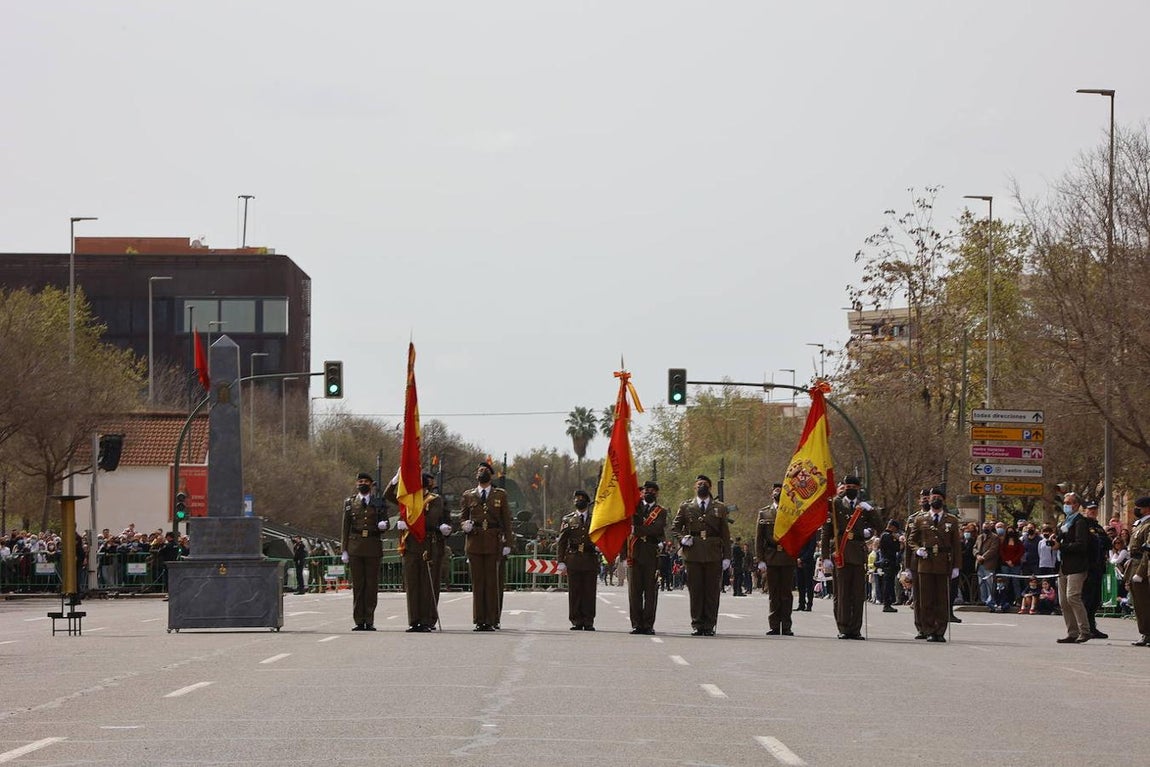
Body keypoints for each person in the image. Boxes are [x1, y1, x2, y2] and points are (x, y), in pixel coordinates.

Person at [386, 472, 453, 632]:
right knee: (413, 584)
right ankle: (414, 620)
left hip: (428, 545)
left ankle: (427, 620)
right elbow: (388, 495)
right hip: (410, 546)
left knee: (427, 584)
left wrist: (407, 524)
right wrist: (396, 479)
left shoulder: (435, 500)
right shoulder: (408, 499)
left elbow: (430, 521)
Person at [821, 476, 881, 640]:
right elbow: (826, 531)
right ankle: (843, 627)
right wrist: (825, 556)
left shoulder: (863, 507)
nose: (850, 489)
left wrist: (870, 510)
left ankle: (855, 629)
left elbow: (879, 526)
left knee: (857, 593)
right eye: (848, 486)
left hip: (858, 553)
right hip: (840, 552)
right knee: (842, 593)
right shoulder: (835, 504)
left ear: (859, 488)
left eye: (854, 486)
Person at [671, 474, 732, 636]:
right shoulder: (686, 507)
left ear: (710, 487)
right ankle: (697, 624)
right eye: (699, 484)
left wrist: (727, 556)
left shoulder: (719, 507)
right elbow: (675, 528)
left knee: (712, 591)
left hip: (713, 553)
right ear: (694, 487)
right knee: (696, 590)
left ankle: (709, 624)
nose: (701, 486)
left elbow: (725, 534)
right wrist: (682, 538)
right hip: (693, 553)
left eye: (704, 484)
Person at [459, 462, 512, 631]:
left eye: (485, 470)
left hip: (493, 543)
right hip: (474, 543)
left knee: (491, 583)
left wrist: (508, 543)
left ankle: (491, 619)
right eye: (479, 470)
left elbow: (506, 521)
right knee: (478, 583)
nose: (481, 472)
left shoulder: (500, 495)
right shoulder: (468, 495)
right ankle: (479, 619)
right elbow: (462, 517)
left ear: (491, 475)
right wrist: (464, 525)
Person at [905, 489, 961, 641]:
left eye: (938, 498)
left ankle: (940, 631)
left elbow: (956, 544)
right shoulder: (920, 519)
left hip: (943, 562)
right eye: (933, 497)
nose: (935, 500)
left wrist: (956, 566)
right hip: (925, 562)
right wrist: (917, 550)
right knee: (926, 599)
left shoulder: (952, 520)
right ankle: (929, 629)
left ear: (943, 501)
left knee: (942, 599)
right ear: (928, 500)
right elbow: (911, 540)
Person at [340, 472, 390, 631]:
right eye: (360, 481)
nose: (363, 484)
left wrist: (384, 525)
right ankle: (358, 620)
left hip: (373, 547)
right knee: (358, 585)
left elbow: (386, 523)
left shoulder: (378, 502)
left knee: (371, 586)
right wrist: (344, 550)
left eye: (366, 482)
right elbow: (345, 527)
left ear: (371, 484)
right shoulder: (350, 503)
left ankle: (369, 619)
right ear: (356, 484)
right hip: (355, 547)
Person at [755, 483, 798, 636]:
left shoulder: (792, 511)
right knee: (773, 593)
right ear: (771, 493)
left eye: (781, 491)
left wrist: (796, 555)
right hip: (771, 557)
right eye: (776, 490)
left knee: (786, 593)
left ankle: (786, 625)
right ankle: (774, 625)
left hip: (787, 556)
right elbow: (759, 539)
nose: (778, 493)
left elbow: (797, 537)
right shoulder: (764, 513)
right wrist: (760, 559)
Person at [557, 489, 601, 630]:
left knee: (589, 591)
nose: (578, 501)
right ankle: (576, 620)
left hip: (589, 558)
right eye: (576, 499)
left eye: (581, 499)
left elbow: (601, 536)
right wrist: (561, 561)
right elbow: (562, 542)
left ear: (587, 502)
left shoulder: (595, 518)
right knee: (575, 591)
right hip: (574, 558)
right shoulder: (568, 519)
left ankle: (588, 620)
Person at [1053, 492, 1093, 643]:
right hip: (1064, 565)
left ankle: (1085, 630)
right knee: (1063, 601)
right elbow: (1061, 539)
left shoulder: (1080, 522)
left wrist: (1061, 546)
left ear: (1076, 505)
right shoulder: (1065, 522)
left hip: (1077, 565)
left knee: (1073, 597)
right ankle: (1072, 632)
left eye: (1069, 502)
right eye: (1065, 502)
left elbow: (1081, 545)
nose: (1066, 505)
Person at [627, 480, 667, 635]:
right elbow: (626, 527)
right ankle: (637, 624)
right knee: (634, 592)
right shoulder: (634, 508)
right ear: (642, 492)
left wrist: (636, 529)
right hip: (634, 552)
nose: (649, 492)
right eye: (646, 490)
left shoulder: (660, 511)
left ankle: (648, 624)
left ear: (656, 493)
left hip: (651, 554)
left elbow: (656, 529)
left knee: (651, 592)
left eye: (652, 490)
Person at [1080, 501, 1110, 639]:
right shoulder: (1083, 525)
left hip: (1098, 567)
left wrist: (1099, 540)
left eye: (1095, 509)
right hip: (1088, 567)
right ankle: (1084, 628)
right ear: (1084, 510)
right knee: (1087, 598)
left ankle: (1092, 627)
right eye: (1090, 509)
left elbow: (1107, 542)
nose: (1093, 511)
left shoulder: (1098, 527)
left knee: (1095, 600)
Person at [1126, 496, 1150, 646]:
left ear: (1147, 508)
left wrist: (1140, 573)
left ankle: (1147, 633)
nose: (1136, 510)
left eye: (1139, 507)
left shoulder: (1148, 525)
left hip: (1143, 565)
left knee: (1144, 603)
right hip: (1134, 563)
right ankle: (1145, 633)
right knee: (1139, 603)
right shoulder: (1140, 524)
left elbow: (1147, 551)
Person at [974, 521, 1001, 609]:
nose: (985, 529)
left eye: (987, 527)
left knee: (990, 583)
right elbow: (974, 547)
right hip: (979, 564)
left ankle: (990, 601)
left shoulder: (995, 537)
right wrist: (977, 555)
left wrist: (983, 557)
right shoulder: (979, 537)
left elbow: (993, 549)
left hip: (989, 564)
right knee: (981, 583)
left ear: (990, 528)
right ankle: (983, 600)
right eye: (984, 527)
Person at [877, 520, 901, 612]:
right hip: (888, 562)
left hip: (889, 562)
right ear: (892, 527)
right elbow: (895, 548)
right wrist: (897, 540)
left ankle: (888, 603)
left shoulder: (886, 535)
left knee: (889, 584)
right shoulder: (887, 536)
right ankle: (887, 604)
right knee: (888, 584)